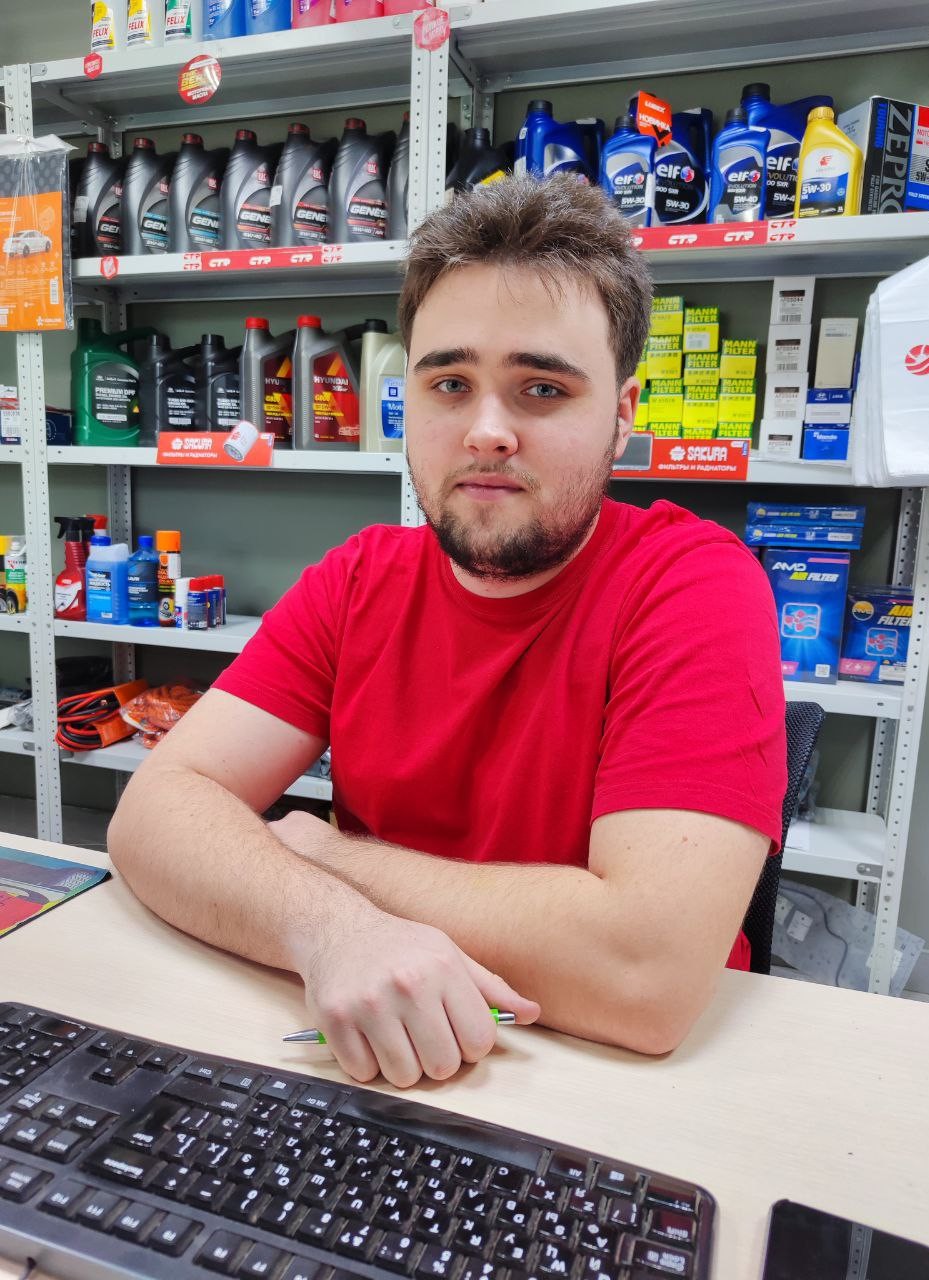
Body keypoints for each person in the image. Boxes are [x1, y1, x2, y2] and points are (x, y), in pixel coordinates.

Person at [109, 175, 786, 1089]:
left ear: (623, 415)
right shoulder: (358, 579)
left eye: (542, 388)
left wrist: (325, 855)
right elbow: (155, 812)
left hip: (603, 1079)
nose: (487, 431)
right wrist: (329, 927)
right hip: (369, 1047)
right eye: (451, 384)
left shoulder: (693, 585)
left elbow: (643, 978)